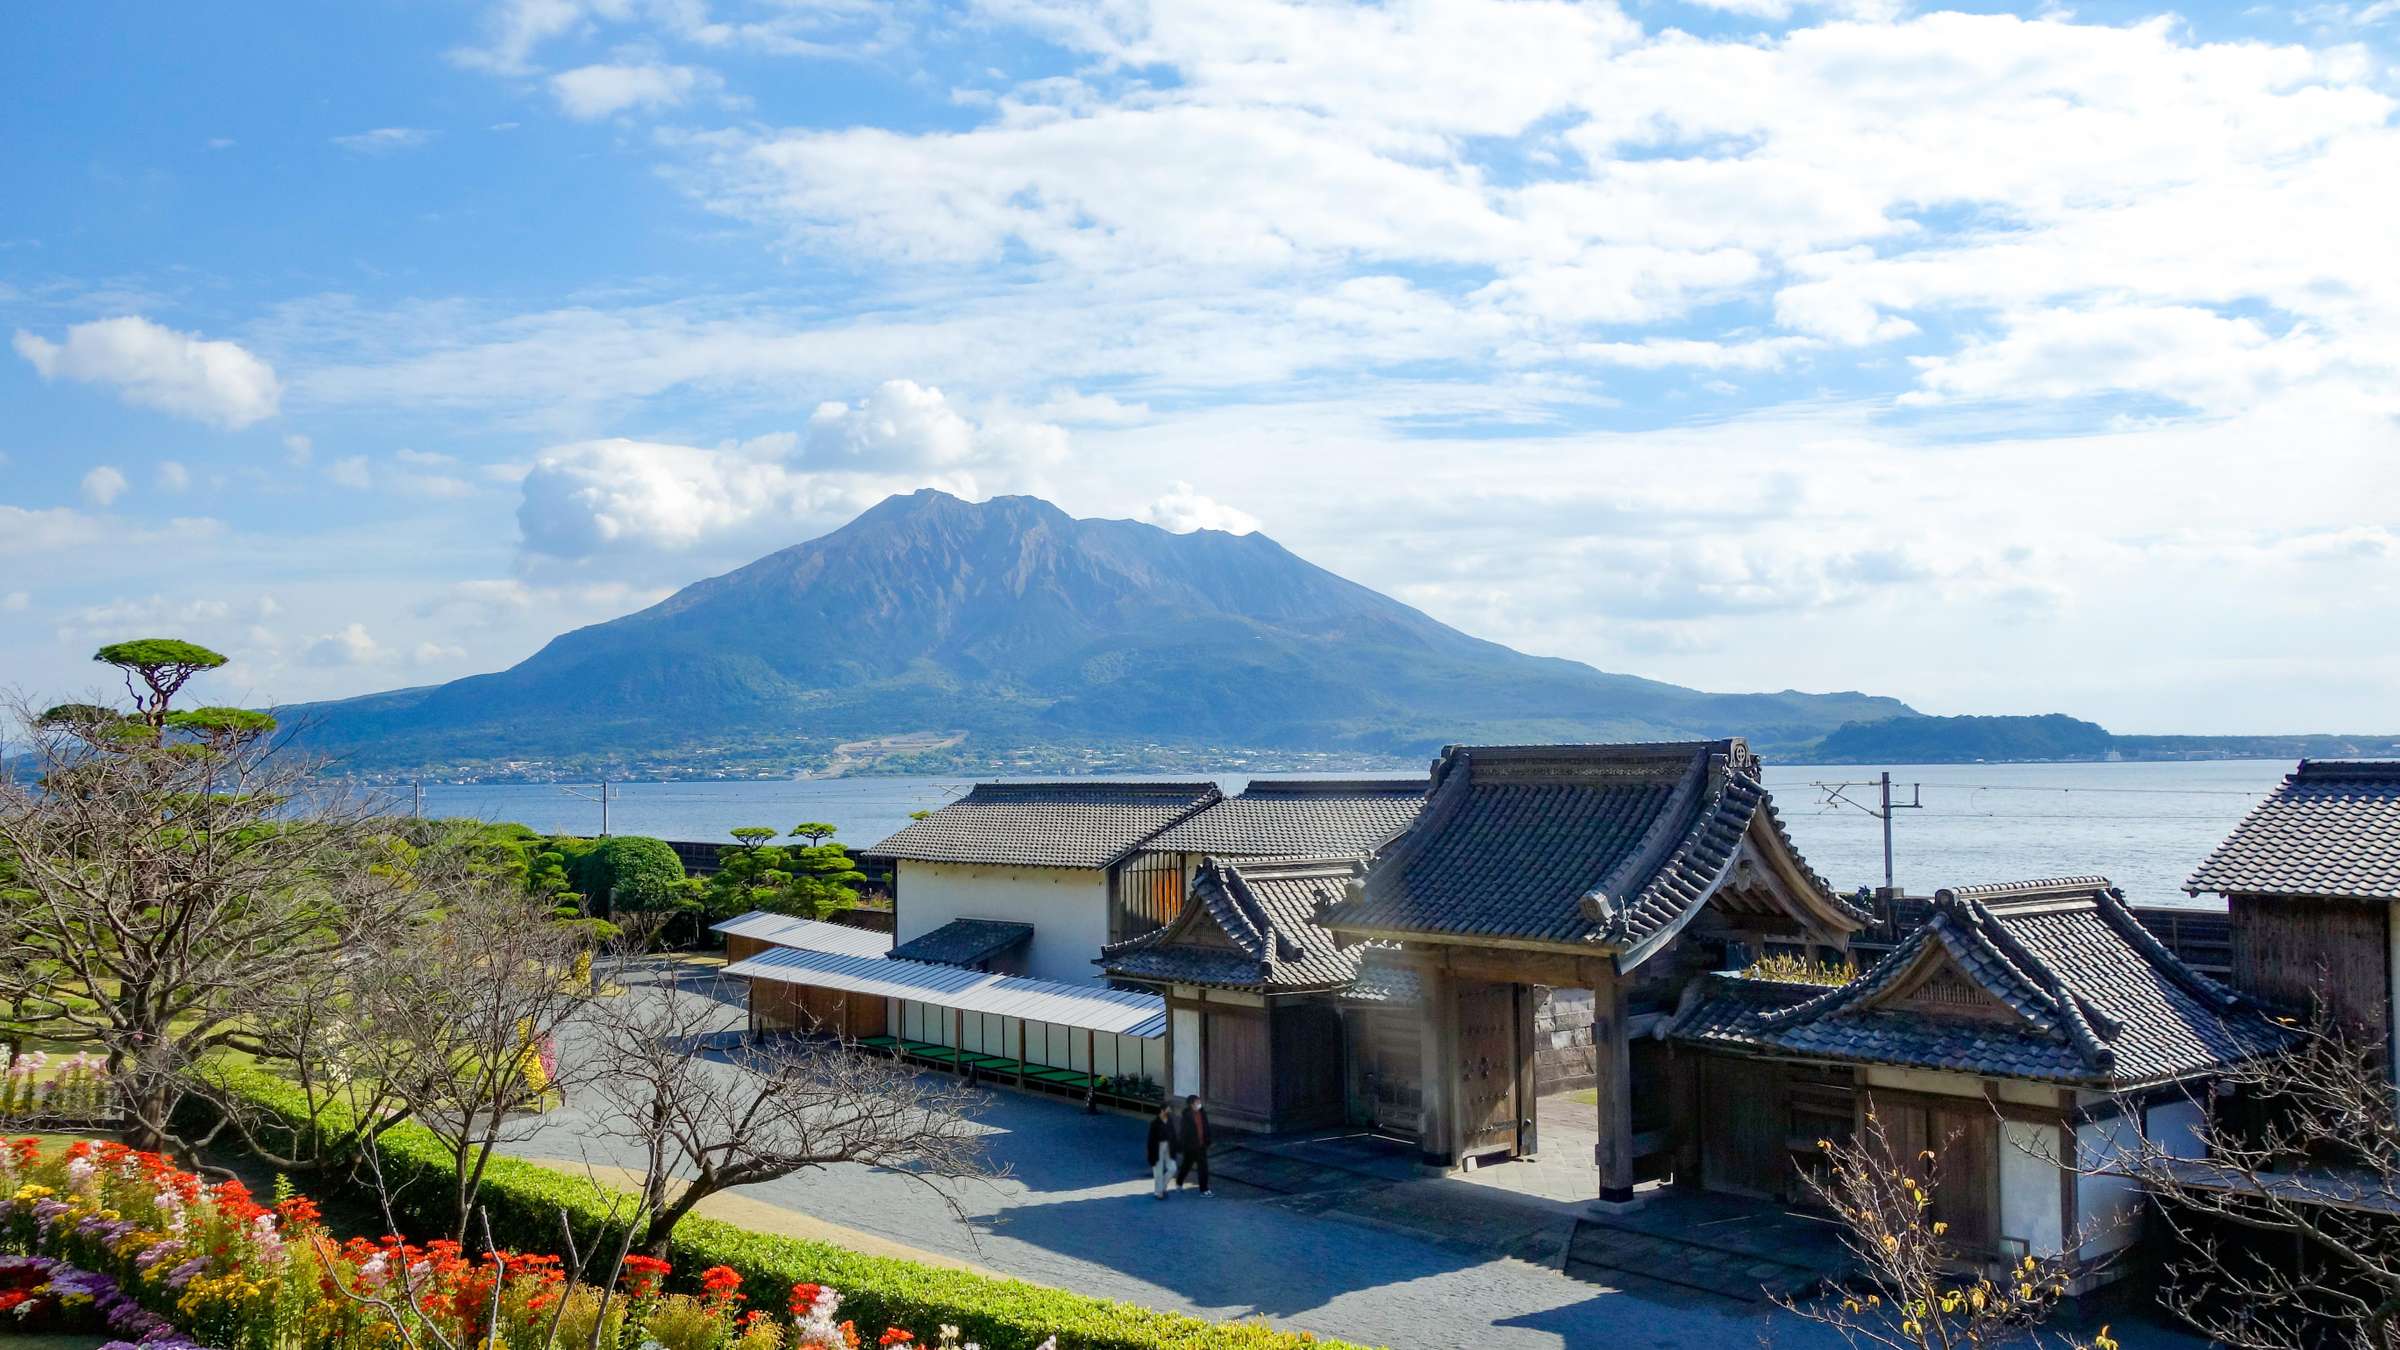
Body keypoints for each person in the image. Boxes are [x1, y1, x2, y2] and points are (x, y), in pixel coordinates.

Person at [1174, 1094, 1212, 1196]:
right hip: (1191, 1146)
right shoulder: (1187, 1116)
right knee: (1186, 1165)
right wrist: (1182, 1145)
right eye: (1197, 1102)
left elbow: (1206, 1126)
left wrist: (1207, 1139)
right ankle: (1179, 1182)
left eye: (1199, 1102)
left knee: (1203, 1167)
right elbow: (1183, 1132)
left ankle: (1204, 1189)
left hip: (1201, 1145)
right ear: (1191, 1104)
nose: (1199, 1104)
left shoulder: (1202, 1113)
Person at [1145, 1103, 1178, 1200]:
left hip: (1169, 1146)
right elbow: (1150, 1141)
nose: (1169, 1111)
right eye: (1168, 1110)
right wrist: (1150, 1155)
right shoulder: (1155, 1123)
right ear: (1162, 1111)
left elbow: (1174, 1134)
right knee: (1158, 1171)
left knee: (1172, 1168)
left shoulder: (1170, 1121)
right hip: (1158, 1147)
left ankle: (1162, 1187)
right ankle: (1159, 1192)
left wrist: (1177, 1145)